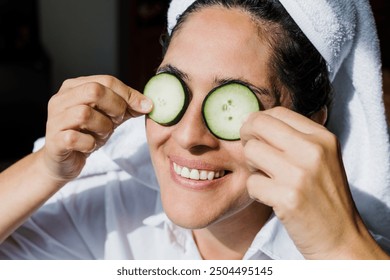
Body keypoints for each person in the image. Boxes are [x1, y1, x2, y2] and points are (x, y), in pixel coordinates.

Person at [0, 0, 389, 259]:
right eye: (176, 88)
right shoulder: (110, 204)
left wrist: (341, 248)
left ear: (310, 122)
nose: (187, 136)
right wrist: (47, 170)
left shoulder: (355, 251)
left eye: (231, 105)